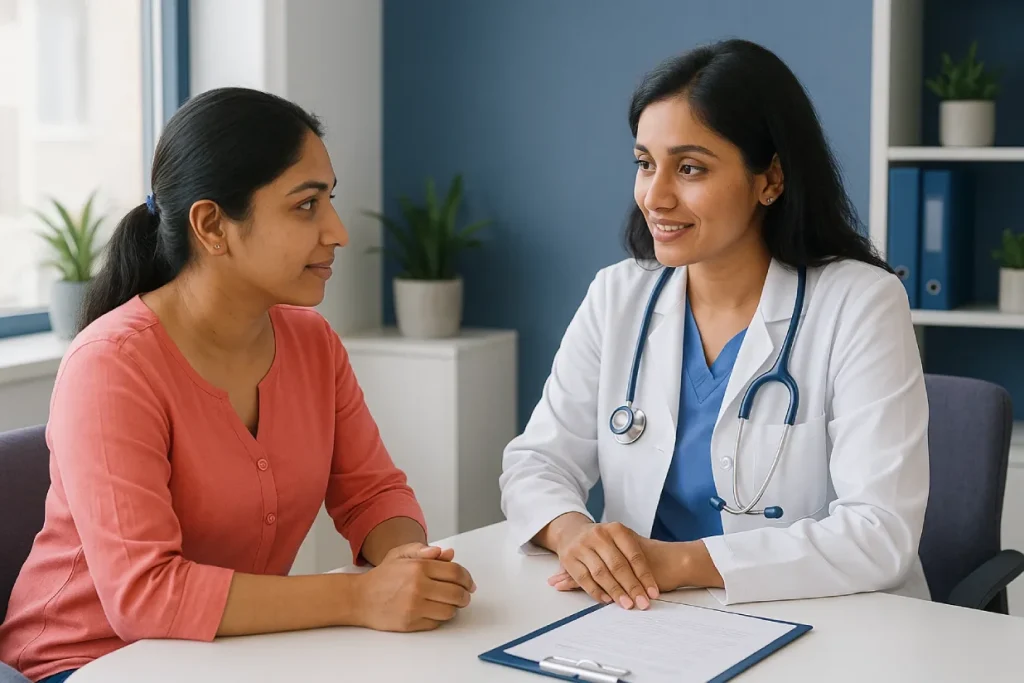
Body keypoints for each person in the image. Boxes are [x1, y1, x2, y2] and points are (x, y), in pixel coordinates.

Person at [0, 87, 475, 683]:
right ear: (212, 225)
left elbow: (371, 493)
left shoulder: (312, 343)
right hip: (85, 666)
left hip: (225, 660)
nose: (336, 231)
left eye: (330, 200)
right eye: (305, 206)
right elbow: (145, 595)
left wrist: (407, 562)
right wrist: (360, 599)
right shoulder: (111, 365)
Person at [499, 39, 930, 611]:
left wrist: (678, 563)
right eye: (645, 164)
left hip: (818, 618)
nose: (655, 196)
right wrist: (575, 536)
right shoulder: (618, 295)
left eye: (691, 168)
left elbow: (880, 533)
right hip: (641, 616)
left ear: (769, 179)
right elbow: (537, 462)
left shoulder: (861, 303)